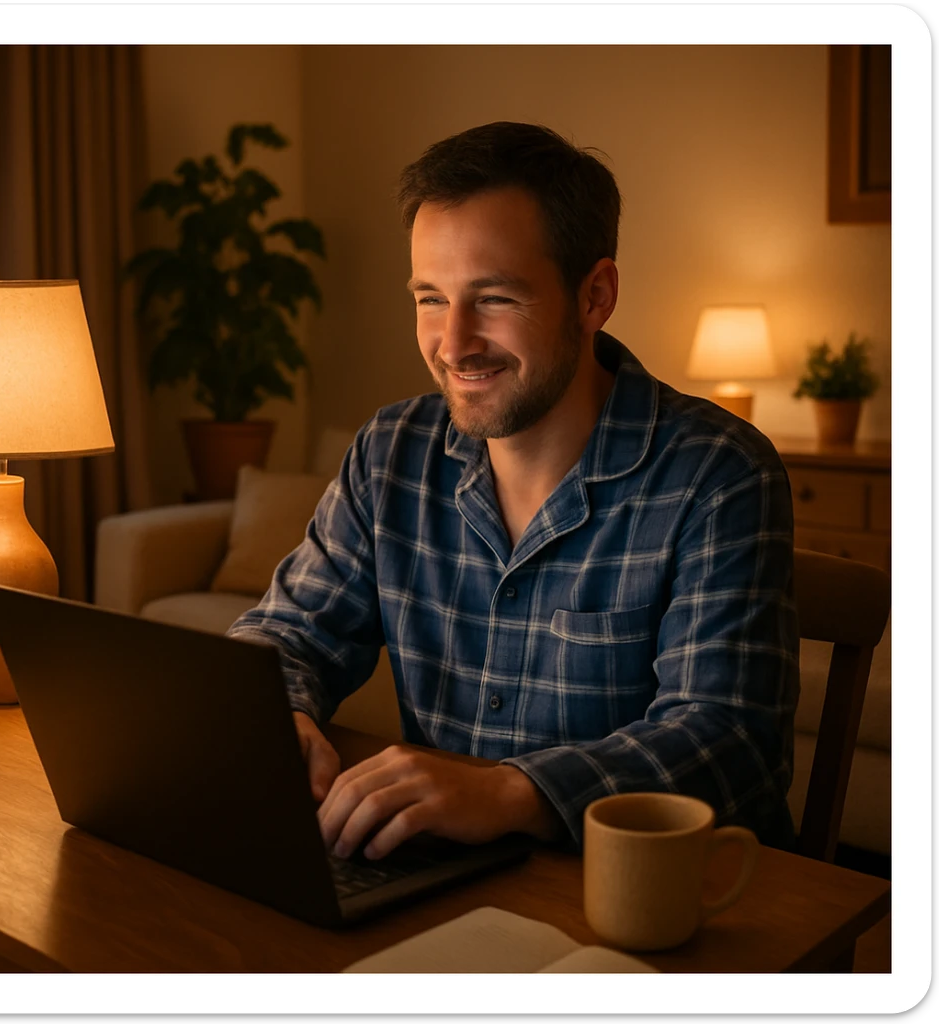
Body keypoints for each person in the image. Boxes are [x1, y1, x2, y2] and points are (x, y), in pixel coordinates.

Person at [227, 121, 799, 863]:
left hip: (658, 909)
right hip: (447, 887)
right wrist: (281, 717)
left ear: (595, 296)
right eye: (430, 298)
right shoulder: (390, 452)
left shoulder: (719, 474)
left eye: (493, 299)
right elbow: (287, 634)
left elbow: (727, 741)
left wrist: (509, 792)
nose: (453, 342)